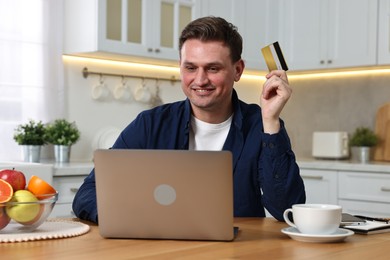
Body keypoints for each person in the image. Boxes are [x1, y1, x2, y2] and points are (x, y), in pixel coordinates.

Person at [72, 16, 306, 223]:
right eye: (191, 68)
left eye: (213, 68)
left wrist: (271, 120)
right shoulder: (150, 125)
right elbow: (88, 192)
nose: (200, 80)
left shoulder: (261, 125)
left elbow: (287, 209)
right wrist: (130, 217)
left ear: (237, 70)